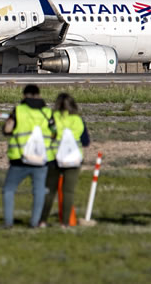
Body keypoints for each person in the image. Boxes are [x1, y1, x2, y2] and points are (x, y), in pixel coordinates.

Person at [2, 84, 55, 228]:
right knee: (39, 191)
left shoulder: (18, 110)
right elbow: (55, 132)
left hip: (19, 158)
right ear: (38, 95)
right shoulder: (47, 112)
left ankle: (8, 222)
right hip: (41, 159)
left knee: (8, 190)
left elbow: (7, 129)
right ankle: (35, 222)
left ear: (24, 95)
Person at [39, 93, 90, 227]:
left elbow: (46, 136)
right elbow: (85, 141)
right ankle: (65, 223)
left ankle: (42, 220)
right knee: (68, 192)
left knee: (49, 192)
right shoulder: (78, 120)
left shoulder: (52, 119)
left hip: (53, 158)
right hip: (73, 159)